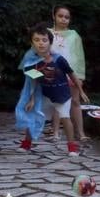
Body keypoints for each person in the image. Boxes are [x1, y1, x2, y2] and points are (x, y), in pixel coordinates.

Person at [15, 23, 86, 156]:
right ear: (32, 42)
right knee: (33, 116)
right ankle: (26, 144)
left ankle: (72, 148)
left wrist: (81, 91)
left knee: (65, 118)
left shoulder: (59, 60)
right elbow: (33, 81)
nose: (41, 43)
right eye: (36, 40)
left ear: (50, 42)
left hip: (61, 94)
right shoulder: (31, 63)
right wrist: (31, 99)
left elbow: (71, 74)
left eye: (44, 40)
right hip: (44, 94)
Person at [48, 3, 87, 143]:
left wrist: (79, 76)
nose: (64, 19)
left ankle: (81, 133)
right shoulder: (47, 33)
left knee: (75, 101)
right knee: (58, 101)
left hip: (72, 72)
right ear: (54, 16)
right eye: (60, 16)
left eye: (67, 17)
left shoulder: (74, 35)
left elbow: (79, 56)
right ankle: (56, 132)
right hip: (53, 72)